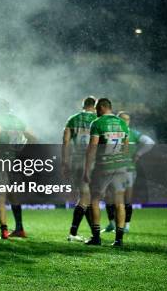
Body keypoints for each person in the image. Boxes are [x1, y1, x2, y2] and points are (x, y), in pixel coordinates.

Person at [83, 98, 129, 247]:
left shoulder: (97, 123)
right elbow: (126, 148)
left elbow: (92, 148)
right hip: (120, 167)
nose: (95, 112)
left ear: (103, 107)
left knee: (94, 200)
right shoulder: (122, 123)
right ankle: (119, 240)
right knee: (119, 203)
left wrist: (87, 169)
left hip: (103, 167)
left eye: (97, 109)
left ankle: (96, 238)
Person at [0, 98, 37, 239]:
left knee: (0, 196)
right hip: (16, 161)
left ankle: (4, 231)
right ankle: (19, 228)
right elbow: (34, 137)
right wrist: (22, 150)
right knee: (13, 194)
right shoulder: (18, 121)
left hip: (3, 160)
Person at [102, 111, 155, 233]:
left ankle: (125, 226)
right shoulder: (117, 133)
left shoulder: (130, 133)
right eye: (123, 119)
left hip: (126, 170)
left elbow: (150, 142)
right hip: (114, 169)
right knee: (109, 197)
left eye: (128, 119)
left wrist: (138, 153)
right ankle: (113, 224)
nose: (126, 122)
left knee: (124, 198)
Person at [63, 96, 97, 242]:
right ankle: (72, 232)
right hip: (92, 162)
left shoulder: (73, 119)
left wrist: (64, 162)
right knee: (85, 198)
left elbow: (65, 141)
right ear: (94, 106)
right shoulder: (98, 119)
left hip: (76, 160)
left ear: (83, 105)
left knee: (86, 197)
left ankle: (95, 235)